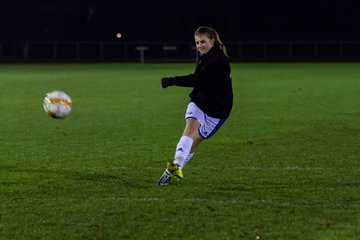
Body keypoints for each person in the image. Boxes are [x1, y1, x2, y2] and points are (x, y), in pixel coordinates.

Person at [157, 26, 233, 186]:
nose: (200, 46)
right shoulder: (204, 56)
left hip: (218, 110)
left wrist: (172, 81)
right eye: (197, 42)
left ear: (212, 40)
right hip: (200, 101)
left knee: (194, 141)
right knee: (189, 129)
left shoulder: (218, 60)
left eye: (203, 42)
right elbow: (199, 81)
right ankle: (175, 165)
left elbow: (197, 80)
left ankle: (173, 169)